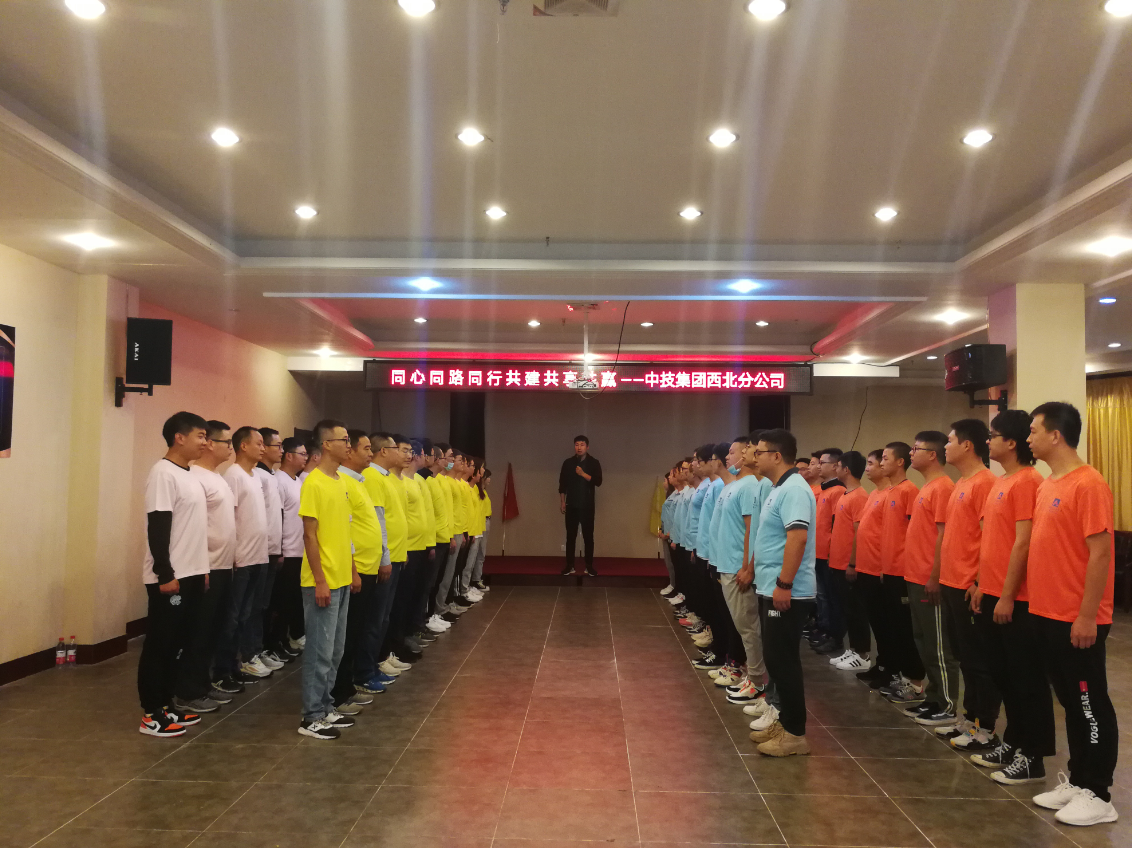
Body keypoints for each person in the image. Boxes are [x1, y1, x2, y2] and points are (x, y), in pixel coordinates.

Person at [1026, 402, 1119, 826]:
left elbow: (1100, 554)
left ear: (1055, 435)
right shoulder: (1050, 484)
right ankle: (1079, 781)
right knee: (1070, 702)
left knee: (1088, 701)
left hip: (1077, 617)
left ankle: (1098, 793)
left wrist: (1087, 616)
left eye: (1033, 431)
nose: (1029, 438)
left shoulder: (1089, 483)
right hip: (1047, 613)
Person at [970, 409, 1055, 783]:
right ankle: (1014, 742)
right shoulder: (1003, 481)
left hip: (1016, 598)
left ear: (1011, 442)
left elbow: (1023, 543)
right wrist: (980, 584)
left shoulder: (1028, 481)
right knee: (1004, 676)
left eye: (993, 436)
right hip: (992, 591)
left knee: (1027, 680)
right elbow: (992, 540)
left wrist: (1006, 595)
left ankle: (1033, 757)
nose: (988, 442)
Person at [137, 411, 210, 738]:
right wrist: (164, 573)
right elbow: (158, 526)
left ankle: (167, 704)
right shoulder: (162, 473)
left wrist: (202, 570)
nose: (205, 443)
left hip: (192, 573)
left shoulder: (190, 474)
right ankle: (151, 713)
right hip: (171, 577)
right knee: (160, 644)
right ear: (179, 437)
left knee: (179, 643)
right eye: (200, 436)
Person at [748, 428, 817, 757]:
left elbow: (798, 538)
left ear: (776, 456)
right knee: (776, 660)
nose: (755, 457)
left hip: (788, 589)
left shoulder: (795, 489)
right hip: (771, 585)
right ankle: (785, 723)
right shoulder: (779, 487)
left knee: (783, 661)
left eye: (759, 452)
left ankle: (795, 735)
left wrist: (784, 584)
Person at [932, 419, 1000, 752]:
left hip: (968, 585)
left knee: (978, 660)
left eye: (950, 440)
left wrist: (978, 580)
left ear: (967, 445)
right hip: (951, 581)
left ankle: (983, 727)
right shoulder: (962, 482)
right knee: (963, 656)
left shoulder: (985, 482)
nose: (946, 446)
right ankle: (968, 719)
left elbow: (990, 537)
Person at [297, 419, 357, 740]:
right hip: (322, 580)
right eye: (343, 440)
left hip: (342, 577)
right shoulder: (314, 482)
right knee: (319, 651)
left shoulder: (341, 481)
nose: (348, 445)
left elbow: (345, 531)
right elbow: (310, 535)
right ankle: (311, 717)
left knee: (335, 650)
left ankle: (326, 705)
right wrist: (320, 580)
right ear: (326, 445)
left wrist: (352, 570)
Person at [174, 420, 237, 714]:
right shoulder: (196, 477)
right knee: (198, 632)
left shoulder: (217, 477)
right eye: (227, 442)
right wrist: (204, 568)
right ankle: (188, 691)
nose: (231, 449)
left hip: (223, 566)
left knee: (214, 630)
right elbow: (194, 527)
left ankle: (203, 682)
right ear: (211, 444)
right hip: (206, 567)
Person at [902, 431, 959, 728]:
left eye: (916, 448)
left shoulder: (943, 487)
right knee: (922, 641)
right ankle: (933, 697)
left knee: (938, 646)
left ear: (932, 454)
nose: (912, 453)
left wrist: (935, 576)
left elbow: (943, 536)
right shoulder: (928, 486)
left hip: (929, 578)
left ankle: (946, 705)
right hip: (914, 576)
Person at [331, 430, 387, 713]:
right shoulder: (342, 482)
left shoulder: (359, 481)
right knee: (348, 634)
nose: (370, 453)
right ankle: (340, 690)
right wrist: (353, 569)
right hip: (355, 569)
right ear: (349, 451)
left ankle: (350, 684)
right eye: (365, 448)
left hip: (368, 566)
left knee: (358, 629)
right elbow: (345, 531)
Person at [712, 437, 770, 701]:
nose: (730, 456)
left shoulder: (751, 486)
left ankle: (756, 679)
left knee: (748, 627)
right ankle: (751, 674)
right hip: (727, 563)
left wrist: (747, 567)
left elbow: (751, 529)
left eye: (734, 451)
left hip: (738, 566)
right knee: (740, 625)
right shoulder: (736, 485)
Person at [216, 427, 271, 685]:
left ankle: (237, 663)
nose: (263, 448)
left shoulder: (255, 476)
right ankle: (223, 669)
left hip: (258, 556)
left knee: (246, 615)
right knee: (232, 617)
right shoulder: (234, 475)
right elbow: (229, 517)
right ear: (244, 446)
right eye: (258, 443)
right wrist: (234, 555)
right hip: (241, 559)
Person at [876, 441, 926, 705]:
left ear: (900, 462)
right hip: (889, 571)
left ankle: (915, 683)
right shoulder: (890, 492)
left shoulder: (909, 490)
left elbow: (914, 534)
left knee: (907, 630)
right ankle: (902, 676)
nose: (881, 462)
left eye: (886, 458)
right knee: (894, 628)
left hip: (903, 572)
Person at [365, 432, 413, 679]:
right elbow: (378, 521)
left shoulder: (387, 478)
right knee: (376, 617)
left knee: (385, 616)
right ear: (383, 451)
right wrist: (386, 557)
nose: (403, 454)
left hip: (395, 554)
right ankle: (371, 665)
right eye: (397, 449)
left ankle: (382, 656)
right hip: (384, 558)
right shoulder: (372, 477)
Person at [825, 451, 871, 671]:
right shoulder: (845, 494)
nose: (835, 469)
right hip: (837, 563)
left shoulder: (860, 496)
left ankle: (862, 654)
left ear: (847, 469)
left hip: (848, 564)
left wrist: (852, 563)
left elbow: (859, 532)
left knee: (855, 610)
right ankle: (852, 649)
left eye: (838, 465)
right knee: (846, 609)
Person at [853, 450, 891, 689]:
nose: (867, 468)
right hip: (866, 566)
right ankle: (881, 664)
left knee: (886, 624)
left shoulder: (891, 494)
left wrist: (883, 565)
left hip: (879, 569)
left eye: (872, 463)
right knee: (876, 622)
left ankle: (889, 667)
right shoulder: (875, 493)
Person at [254, 428, 287, 670]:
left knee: (268, 605)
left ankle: (266, 647)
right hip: (259, 552)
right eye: (278, 446)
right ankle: (254, 651)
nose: (281, 451)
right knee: (256, 607)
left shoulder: (273, 476)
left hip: (274, 550)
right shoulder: (257, 475)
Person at [272, 437, 307, 656]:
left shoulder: (298, 481)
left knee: (295, 599)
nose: (305, 458)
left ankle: (293, 637)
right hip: (286, 551)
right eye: (302, 454)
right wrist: (280, 550)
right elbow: (278, 517)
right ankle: (277, 642)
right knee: (282, 602)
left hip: (300, 549)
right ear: (289, 456)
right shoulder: (279, 480)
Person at [809, 448, 845, 653]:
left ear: (834, 466)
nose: (819, 466)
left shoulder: (838, 491)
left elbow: (835, 525)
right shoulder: (824, 490)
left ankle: (834, 635)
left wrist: (832, 552)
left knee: (832, 597)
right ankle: (823, 628)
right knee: (822, 595)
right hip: (819, 552)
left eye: (822, 463)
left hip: (830, 555)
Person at [559, 435, 603, 576]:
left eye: (582, 445)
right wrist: (562, 501)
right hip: (571, 504)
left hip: (587, 506)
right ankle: (570, 565)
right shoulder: (568, 463)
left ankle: (589, 566)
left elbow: (598, 481)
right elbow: (562, 484)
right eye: (577, 445)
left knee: (588, 537)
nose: (579, 447)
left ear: (587, 447)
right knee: (570, 536)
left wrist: (583, 474)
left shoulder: (594, 463)